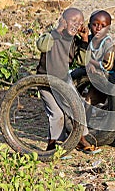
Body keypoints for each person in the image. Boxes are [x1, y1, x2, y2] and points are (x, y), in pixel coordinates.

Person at [36, 8, 101, 154]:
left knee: (77, 106)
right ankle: (52, 146)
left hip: (64, 80)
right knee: (57, 114)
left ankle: (81, 139)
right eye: (73, 21)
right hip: (45, 81)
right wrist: (57, 30)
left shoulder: (74, 41)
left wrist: (84, 39)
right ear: (63, 21)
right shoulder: (52, 36)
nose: (76, 25)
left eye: (80, 23)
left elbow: (82, 61)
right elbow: (41, 46)